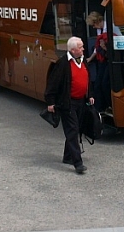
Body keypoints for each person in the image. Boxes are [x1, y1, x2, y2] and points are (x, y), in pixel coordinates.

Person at [44, 36, 94, 174]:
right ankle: (78, 163)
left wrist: (89, 95)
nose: (83, 49)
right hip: (68, 103)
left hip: (81, 101)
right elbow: (52, 83)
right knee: (72, 130)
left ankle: (67, 156)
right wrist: (50, 102)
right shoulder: (62, 64)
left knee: (75, 129)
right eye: (81, 47)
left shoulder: (83, 60)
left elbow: (87, 79)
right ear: (73, 50)